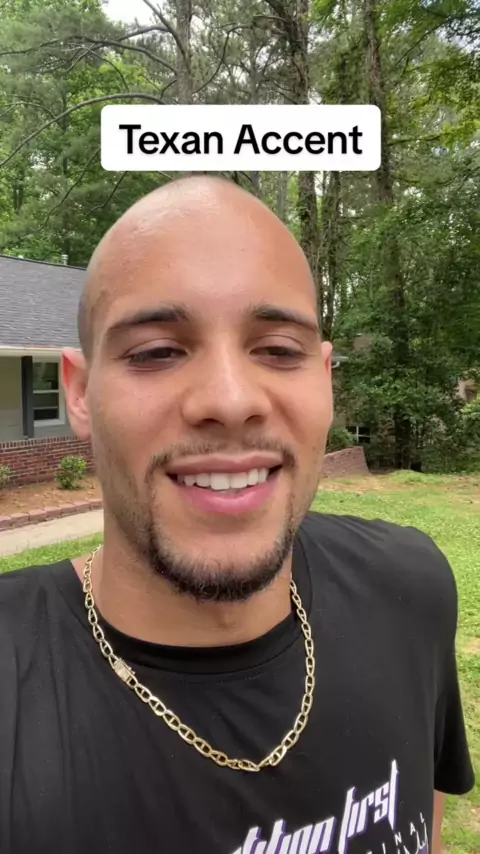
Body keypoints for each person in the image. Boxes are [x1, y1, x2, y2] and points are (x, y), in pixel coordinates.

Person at [0, 176, 474, 854]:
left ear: (325, 381)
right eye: (157, 351)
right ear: (79, 394)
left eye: (278, 350)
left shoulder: (410, 589)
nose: (229, 400)